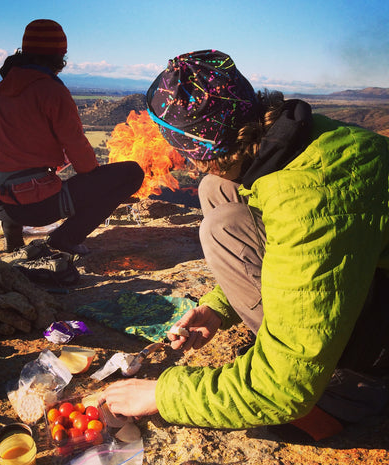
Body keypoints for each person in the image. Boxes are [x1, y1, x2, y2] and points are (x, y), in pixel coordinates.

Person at [101, 50, 389, 441]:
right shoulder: (301, 136)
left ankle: (342, 397)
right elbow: (307, 257)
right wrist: (221, 307)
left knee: (221, 226)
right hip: (369, 282)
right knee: (218, 189)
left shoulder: (309, 201)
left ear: (198, 150)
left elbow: (284, 390)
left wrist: (162, 394)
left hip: (378, 350)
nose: (187, 164)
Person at [0, 19, 144, 264]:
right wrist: (97, 183)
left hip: (1, 205)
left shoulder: (2, 88)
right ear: (59, 56)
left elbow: (6, 154)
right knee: (132, 172)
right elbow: (84, 163)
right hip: (37, 207)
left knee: (12, 176)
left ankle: (13, 243)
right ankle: (65, 238)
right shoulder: (51, 90)